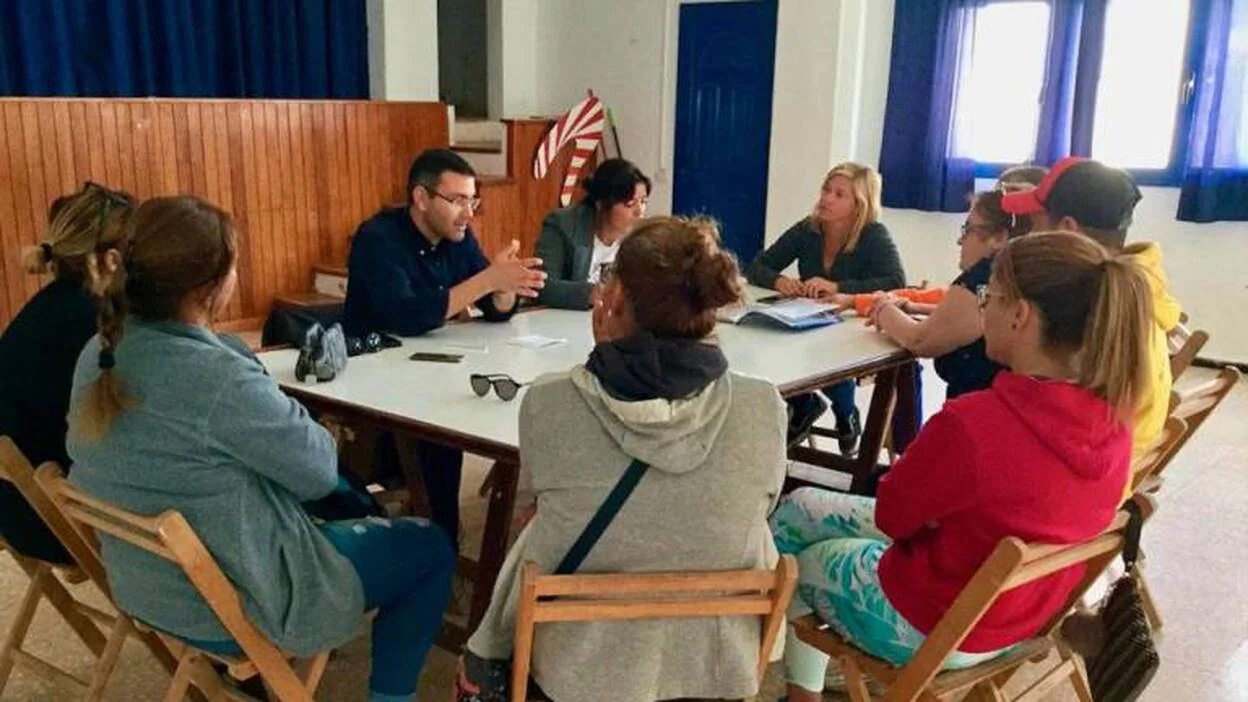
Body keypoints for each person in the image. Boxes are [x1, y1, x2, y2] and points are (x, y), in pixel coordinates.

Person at [67, 196, 455, 702]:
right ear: (212, 287)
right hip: (232, 600)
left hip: (150, 586)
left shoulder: (100, 350)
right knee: (428, 546)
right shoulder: (217, 378)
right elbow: (316, 472)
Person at [771, 231, 1156, 701]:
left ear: (1020, 316)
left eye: (987, 297)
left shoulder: (975, 423)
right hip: (1021, 615)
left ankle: (790, 684)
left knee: (798, 559)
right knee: (803, 505)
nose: (982, 309)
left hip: (938, 623)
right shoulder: (1115, 420)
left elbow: (893, 516)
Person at [459, 217, 788, 702]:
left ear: (613, 300)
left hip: (577, 669)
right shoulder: (764, 406)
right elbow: (761, 507)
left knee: (534, 532)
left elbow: (533, 514)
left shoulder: (551, 402)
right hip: (712, 665)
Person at [342, 148, 546, 542]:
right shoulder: (378, 238)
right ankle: (439, 544)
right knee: (439, 433)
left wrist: (505, 287)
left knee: (468, 407)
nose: (468, 213)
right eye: (457, 201)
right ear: (421, 198)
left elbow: (494, 308)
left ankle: (444, 537)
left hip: (427, 367)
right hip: (372, 376)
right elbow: (409, 316)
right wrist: (487, 279)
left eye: (473, 201)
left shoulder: (458, 237)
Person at [1001, 157, 1181, 466]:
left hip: (1085, 480)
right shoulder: (1136, 285)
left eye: (1034, 224)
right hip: (1113, 468)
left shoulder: (1090, 307)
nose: (1028, 237)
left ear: (1068, 229)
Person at [0, 182, 134, 564]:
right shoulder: (94, 325)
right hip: (55, 520)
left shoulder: (46, 307)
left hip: (15, 508)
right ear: (114, 258)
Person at [746, 163, 905, 452]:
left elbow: (896, 281)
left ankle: (842, 413)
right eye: (826, 190)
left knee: (828, 356)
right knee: (777, 349)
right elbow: (758, 265)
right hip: (804, 319)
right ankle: (804, 402)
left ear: (860, 204)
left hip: (850, 324)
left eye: (839, 194)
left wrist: (839, 287)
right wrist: (779, 280)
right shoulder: (808, 229)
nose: (827, 199)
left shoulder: (874, 234)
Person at [866, 189, 1033, 399]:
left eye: (967, 229)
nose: (960, 240)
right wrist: (914, 307)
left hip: (978, 413)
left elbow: (920, 340)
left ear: (999, 237)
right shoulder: (1025, 272)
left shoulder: (986, 277)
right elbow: (974, 318)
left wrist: (883, 309)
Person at [535, 158, 652, 309]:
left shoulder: (641, 236)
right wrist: (593, 293)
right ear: (601, 204)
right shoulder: (562, 225)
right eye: (629, 204)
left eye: (643, 202)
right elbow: (542, 286)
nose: (640, 212)